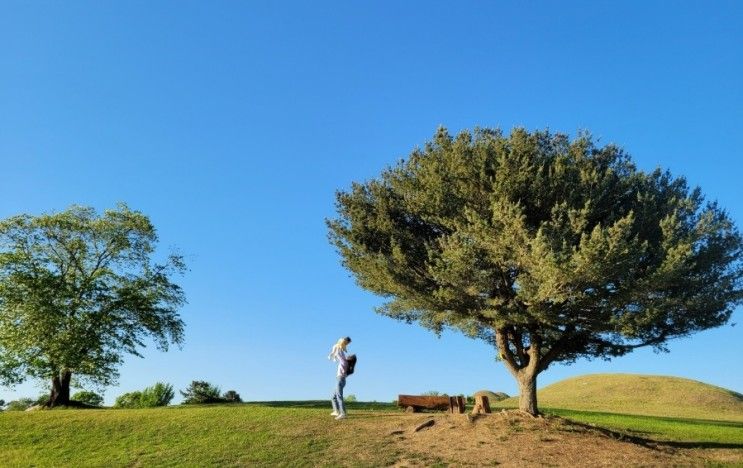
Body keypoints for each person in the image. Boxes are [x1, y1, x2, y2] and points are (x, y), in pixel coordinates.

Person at [329, 336, 352, 420]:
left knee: (339, 397)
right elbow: (339, 353)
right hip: (340, 379)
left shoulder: (343, 363)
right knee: (333, 397)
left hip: (340, 380)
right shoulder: (344, 362)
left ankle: (343, 413)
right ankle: (336, 411)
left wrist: (337, 350)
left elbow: (339, 353)